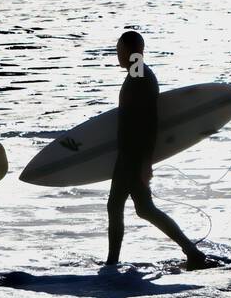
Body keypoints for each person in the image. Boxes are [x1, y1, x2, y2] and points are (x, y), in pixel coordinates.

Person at [90, 30, 215, 271]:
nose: (117, 55)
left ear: (130, 52)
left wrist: (144, 162)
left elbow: (148, 122)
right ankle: (192, 252)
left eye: (120, 50)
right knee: (143, 209)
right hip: (129, 153)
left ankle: (112, 264)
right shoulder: (137, 74)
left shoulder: (139, 76)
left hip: (133, 154)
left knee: (120, 206)